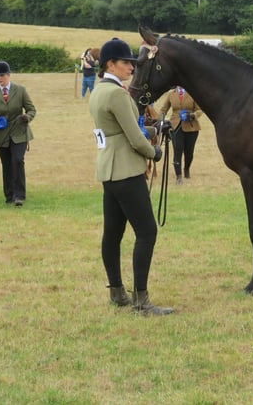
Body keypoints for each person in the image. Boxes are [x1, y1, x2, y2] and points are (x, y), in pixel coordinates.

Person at [88, 37, 172, 315]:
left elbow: (119, 130)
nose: (131, 68)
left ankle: (116, 292)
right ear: (110, 64)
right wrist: (155, 152)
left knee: (112, 233)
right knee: (146, 232)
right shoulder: (118, 94)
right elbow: (134, 138)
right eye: (126, 63)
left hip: (109, 170)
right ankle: (141, 300)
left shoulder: (99, 92)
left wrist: (152, 129)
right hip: (126, 169)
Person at [0, 61, 36, 207]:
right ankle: (9, 194)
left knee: (17, 160)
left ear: (9, 75)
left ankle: (19, 195)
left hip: (19, 133)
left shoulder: (20, 90)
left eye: (2, 75)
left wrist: (27, 117)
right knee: (6, 164)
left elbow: (31, 109)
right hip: (1, 135)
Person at [159, 86, 203, 184]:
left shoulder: (192, 92)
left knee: (189, 152)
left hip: (191, 126)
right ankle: (178, 176)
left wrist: (193, 115)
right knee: (177, 149)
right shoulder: (171, 93)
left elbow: (199, 110)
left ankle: (186, 169)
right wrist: (161, 120)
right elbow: (163, 109)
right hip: (175, 126)